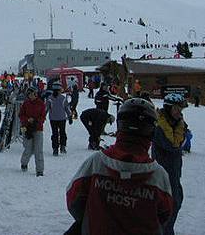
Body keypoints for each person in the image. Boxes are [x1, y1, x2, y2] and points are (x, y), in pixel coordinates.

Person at [66, 98, 173, 235]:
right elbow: (165, 214)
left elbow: (74, 200)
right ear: (151, 131)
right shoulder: (158, 175)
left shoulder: (97, 163)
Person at [152, 93, 187, 235]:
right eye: (176, 109)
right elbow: (172, 146)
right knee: (168, 206)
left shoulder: (178, 125)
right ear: (168, 109)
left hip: (174, 172)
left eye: (181, 109)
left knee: (176, 202)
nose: (179, 112)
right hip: (162, 175)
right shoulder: (160, 128)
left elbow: (180, 142)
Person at [19, 85, 46, 176]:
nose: (31, 96)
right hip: (27, 129)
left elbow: (43, 116)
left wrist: (37, 121)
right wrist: (27, 120)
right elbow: (21, 115)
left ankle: (39, 170)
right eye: (29, 94)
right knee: (28, 149)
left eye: (33, 94)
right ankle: (24, 163)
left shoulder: (41, 103)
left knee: (38, 150)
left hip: (38, 129)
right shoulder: (25, 104)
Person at [46, 82, 72, 155]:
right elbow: (67, 108)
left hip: (54, 119)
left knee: (55, 134)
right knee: (62, 132)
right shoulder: (62, 98)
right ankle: (61, 147)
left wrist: (43, 116)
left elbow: (46, 108)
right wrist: (69, 116)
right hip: (61, 119)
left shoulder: (50, 98)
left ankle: (56, 148)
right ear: (58, 90)